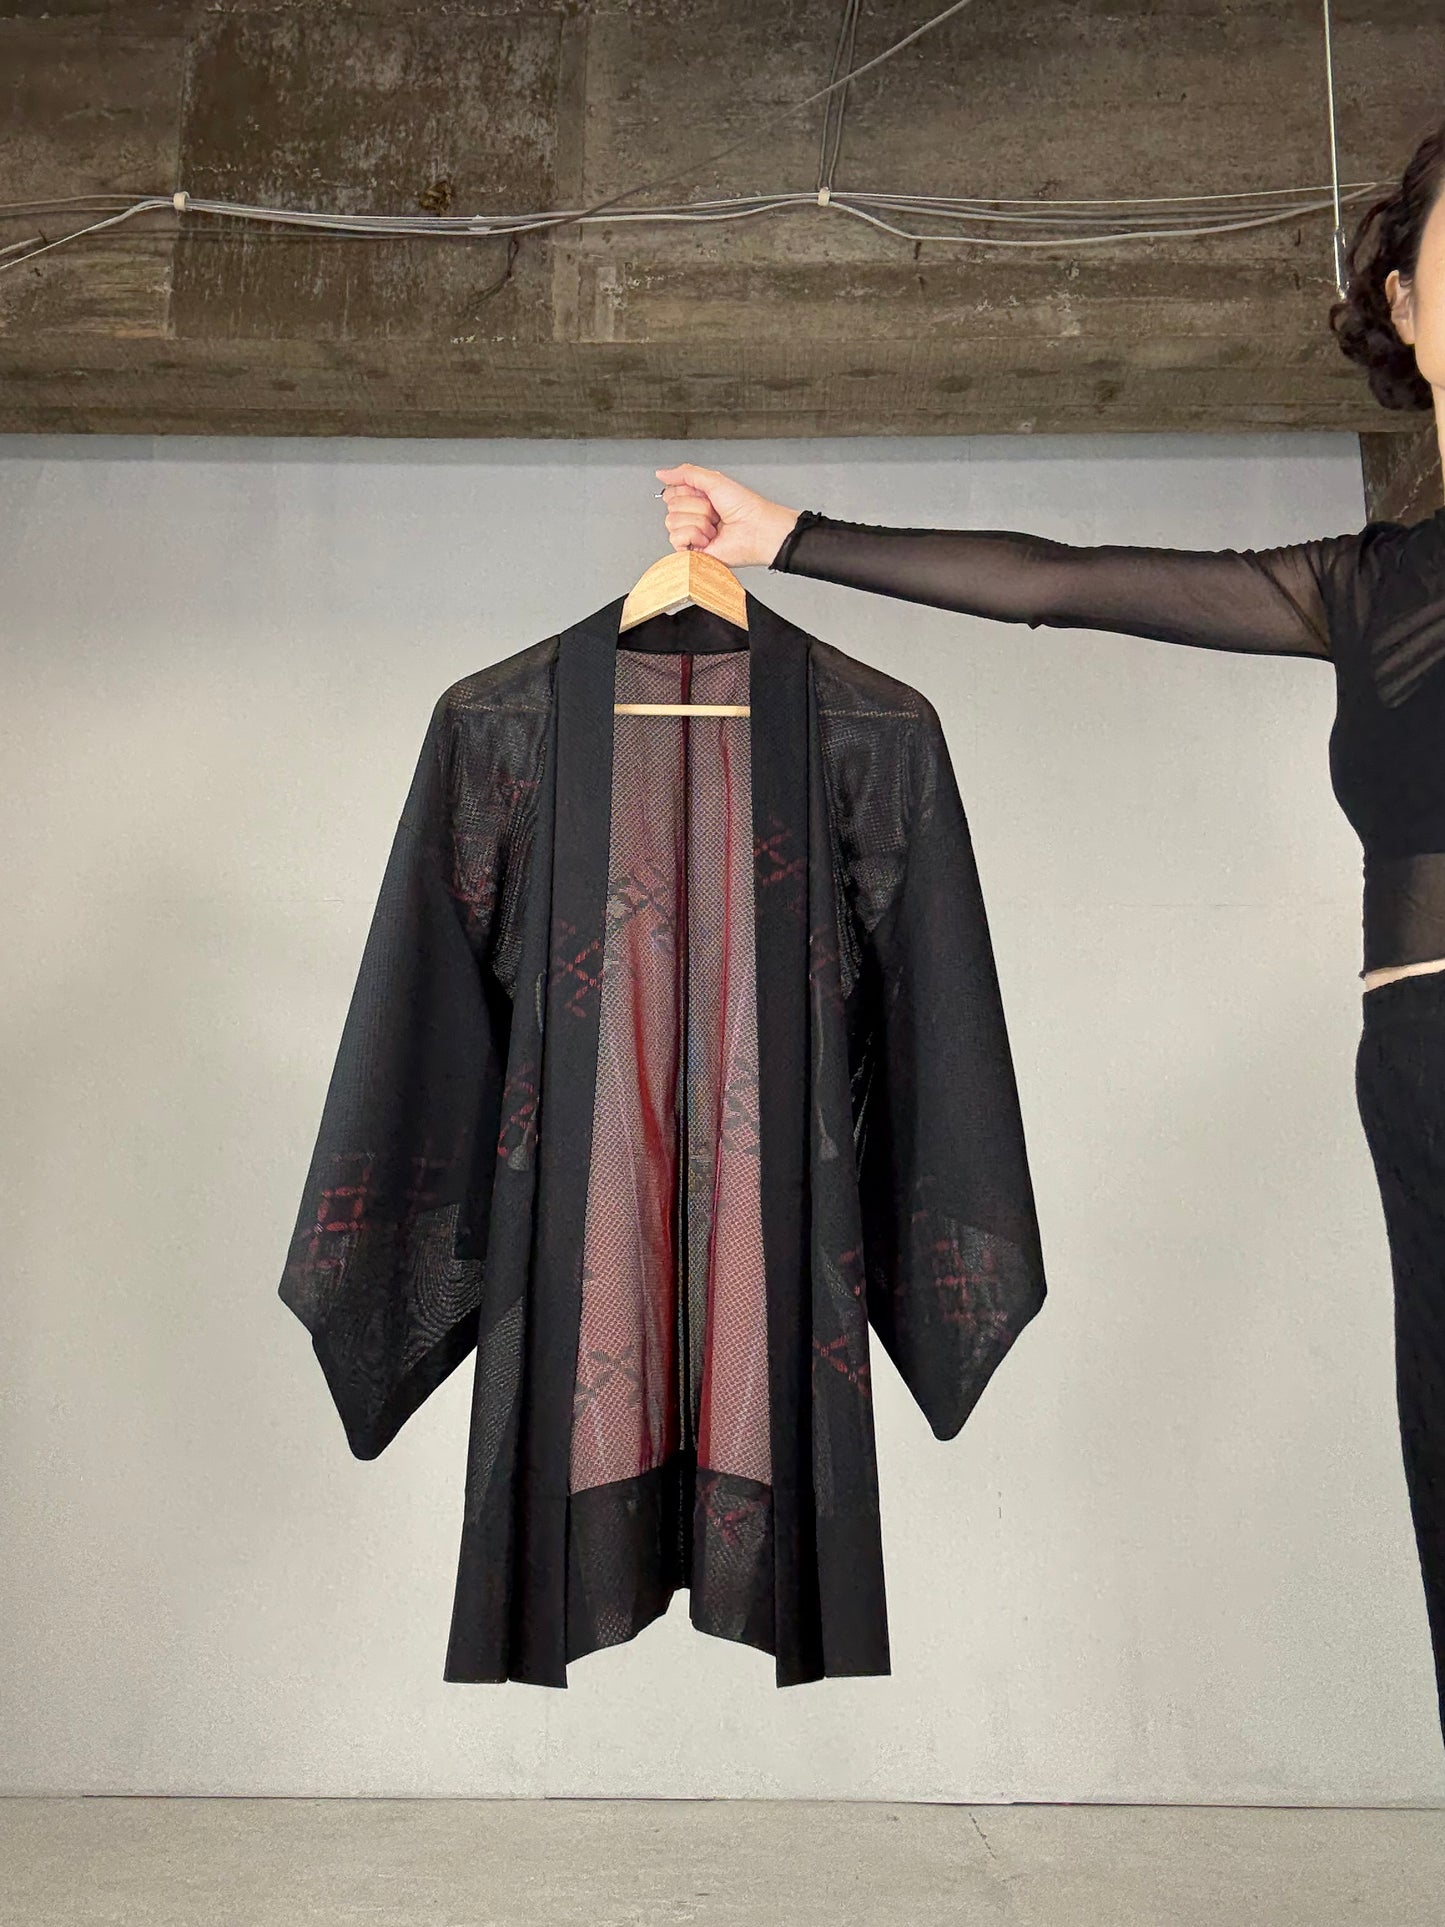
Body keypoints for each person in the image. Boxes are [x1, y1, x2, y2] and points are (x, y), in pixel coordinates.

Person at [653, 117, 1445, 1749]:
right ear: (1405, 305)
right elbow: (1058, 582)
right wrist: (787, 537)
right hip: (1425, 1063)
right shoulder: (1365, 583)